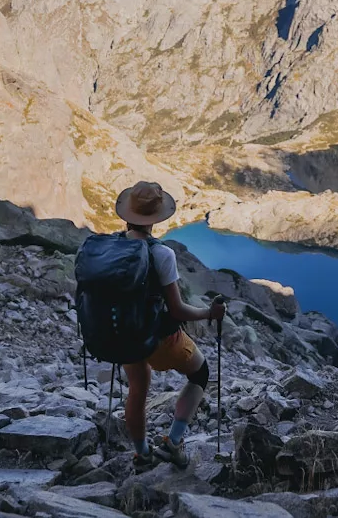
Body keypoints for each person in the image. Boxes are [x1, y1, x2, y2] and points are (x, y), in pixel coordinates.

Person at [113, 180, 226, 468]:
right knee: (200, 374)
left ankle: (141, 454)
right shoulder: (161, 254)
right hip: (157, 337)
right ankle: (173, 443)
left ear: (127, 214)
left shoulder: (112, 247)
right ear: (156, 218)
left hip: (124, 334)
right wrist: (209, 314)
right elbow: (176, 309)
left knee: (138, 390)